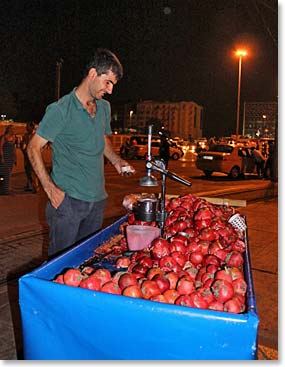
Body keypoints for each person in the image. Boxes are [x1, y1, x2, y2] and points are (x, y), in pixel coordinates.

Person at [27, 48, 135, 258]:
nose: (110, 90)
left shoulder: (104, 108)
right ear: (93, 74)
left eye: (113, 84)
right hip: (68, 203)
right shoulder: (60, 110)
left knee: (87, 261)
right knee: (61, 265)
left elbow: (102, 139)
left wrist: (116, 161)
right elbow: (33, 147)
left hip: (97, 201)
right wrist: (50, 189)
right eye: (108, 82)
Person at [0, 125, 17, 195]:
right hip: (5, 157)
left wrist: (15, 158)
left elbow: (14, 149)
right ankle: (4, 190)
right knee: (4, 174)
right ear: (8, 129)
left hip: (11, 158)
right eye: (11, 129)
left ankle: (7, 189)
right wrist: (2, 157)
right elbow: (0, 148)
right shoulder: (3, 137)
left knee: (9, 173)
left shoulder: (14, 137)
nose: (13, 130)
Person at [20, 121, 37, 192]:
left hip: (34, 156)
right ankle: (30, 186)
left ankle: (35, 187)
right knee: (28, 171)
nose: (26, 128)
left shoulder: (35, 135)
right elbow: (23, 146)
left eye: (28, 126)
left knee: (33, 172)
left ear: (31, 127)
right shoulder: (26, 135)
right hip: (27, 156)